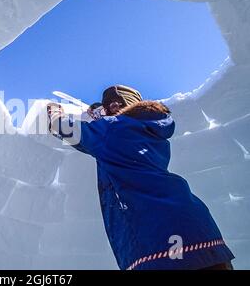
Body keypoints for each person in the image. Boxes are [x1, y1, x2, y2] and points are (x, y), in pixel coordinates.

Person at [47, 85, 235, 270]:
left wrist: (54, 113)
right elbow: (116, 132)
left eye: (111, 106)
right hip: (202, 234)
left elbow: (64, 127)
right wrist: (102, 115)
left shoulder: (111, 128)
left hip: (159, 243)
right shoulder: (151, 129)